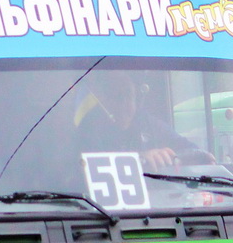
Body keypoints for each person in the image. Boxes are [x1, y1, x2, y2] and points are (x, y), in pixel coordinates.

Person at [73, 71, 202, 173]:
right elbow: (89, 168)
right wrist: (139, 159)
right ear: (104, 100)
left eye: (129, 96)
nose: (123, 104)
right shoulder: (89, 129)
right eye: (117, 97)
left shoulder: (148, 123)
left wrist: (172, 157)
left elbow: (190, 150)